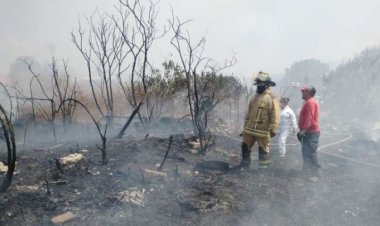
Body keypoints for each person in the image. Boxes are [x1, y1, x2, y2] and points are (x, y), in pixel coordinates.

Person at [238, 71, 280, 170]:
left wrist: (273, 129)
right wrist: (244, 128)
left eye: (261, 84)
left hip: (263, 131)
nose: (259, 86)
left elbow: (275, 115)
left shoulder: (271, 99)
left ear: (267, 85)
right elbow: (248, 114)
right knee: (245, 147)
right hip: (249, 129)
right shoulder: (254, 97)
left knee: (263, 151)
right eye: (258, 84)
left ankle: (263, 169)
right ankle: (244, 166)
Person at [297, 85, 321, 176]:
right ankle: (306, 172)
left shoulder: (310, 103)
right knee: (306, 152)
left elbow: (309, 118)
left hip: (311, 132)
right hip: (309, 132)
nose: (302, 93)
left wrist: (303, 130)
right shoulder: (308, 102)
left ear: (309, 93)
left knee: (310, 153)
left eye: (304, 91)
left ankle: (316, 174)